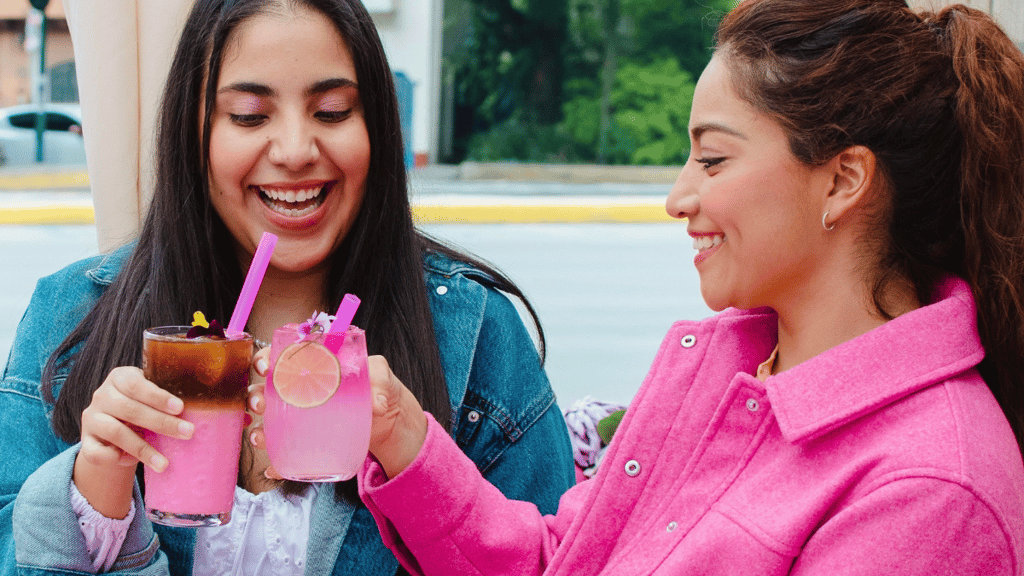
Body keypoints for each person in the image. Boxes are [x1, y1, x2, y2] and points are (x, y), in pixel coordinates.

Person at [354, 1, 1024, 574]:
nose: (679, 197)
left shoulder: (933, 491)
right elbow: (562, 561)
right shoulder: (725, 374)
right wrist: (399, 431)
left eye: (713, 159)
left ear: (844, 180)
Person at [0, 0, 575, 574]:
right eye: (249, 115)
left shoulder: (476, 338)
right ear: (191, 132)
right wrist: (93, 494)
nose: (296, 151)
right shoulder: (72, 317)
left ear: (375, 126)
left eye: (332, 111)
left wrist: (408, 447)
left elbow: (561, 561)